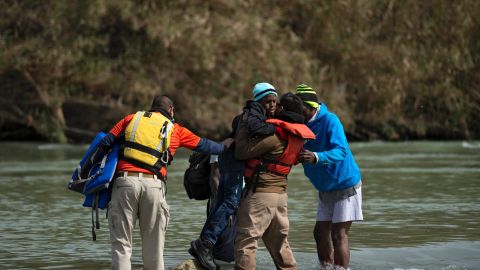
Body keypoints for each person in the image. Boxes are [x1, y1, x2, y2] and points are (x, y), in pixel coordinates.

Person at [80, 95, 232, 270]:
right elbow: (205, 145)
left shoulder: (131, 119)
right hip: (153, 186)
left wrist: (86, 171)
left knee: (121, 247)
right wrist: (225, 146)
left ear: (151, 108)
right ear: (171, 111)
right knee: (154, 250)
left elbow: (105, 143)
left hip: (124, 184)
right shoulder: (176, 129)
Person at [189, 82, 278, 270]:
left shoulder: (250, 113)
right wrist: (274, 128)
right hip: (233, 164)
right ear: (260, 100)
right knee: (229, 203)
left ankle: (204, 244)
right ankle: (205, 243)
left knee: (224, 202)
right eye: (269, 101)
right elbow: (255, 127)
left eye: (274, 102)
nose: (272, 105)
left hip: (230, 162)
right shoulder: (254, 112)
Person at [234, 93, 315, 270]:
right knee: (280, 245)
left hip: (261, 195)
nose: (274, 107)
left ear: (282, 109)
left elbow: (240, 151)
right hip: (280, 197)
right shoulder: (296, 137)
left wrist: (244, 123)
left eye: (277, 105)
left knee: (245, 243)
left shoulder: (276, 137)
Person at [296, 84, 363, 269]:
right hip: (325, 187)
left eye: (301, 109)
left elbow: (341, 151)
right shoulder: (301, 124)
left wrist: (316, 157)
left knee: (338, 234)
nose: (298, 113)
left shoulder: (330, 120)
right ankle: (326, 267)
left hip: (345, 183)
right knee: (319, 233)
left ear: (311, 106)